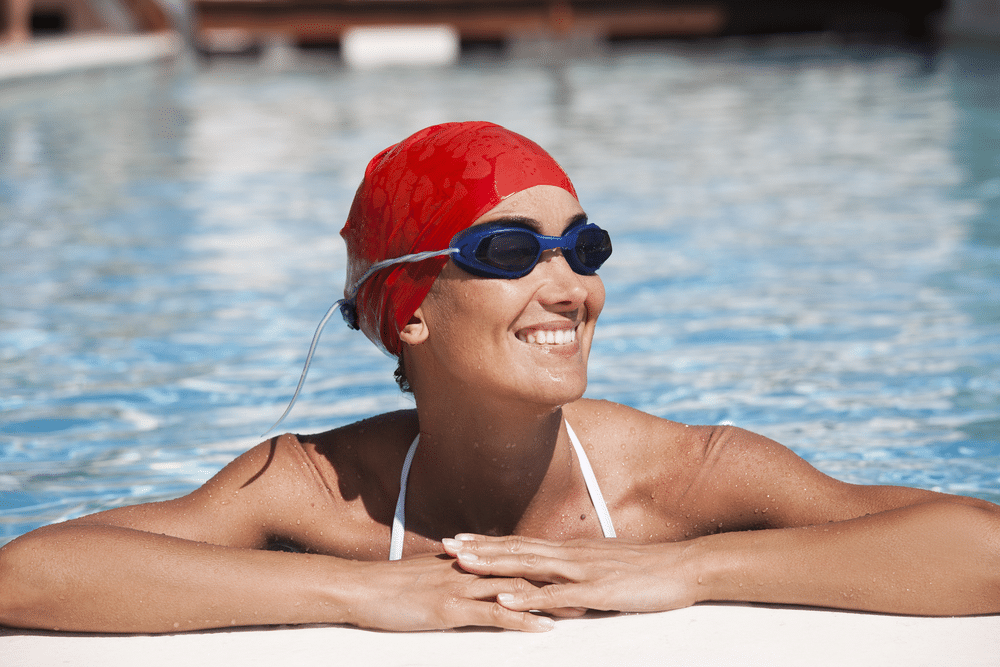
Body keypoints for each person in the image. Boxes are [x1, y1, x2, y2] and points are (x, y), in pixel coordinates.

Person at [1, 121, 998, 634]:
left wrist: (690, 568)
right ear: (410, 308)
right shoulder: (315, 489)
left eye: (583, 248)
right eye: (509, 251)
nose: (569, 287)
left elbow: (980, 546)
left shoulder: (679, 478)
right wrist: (354, 595)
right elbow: (31, 574)